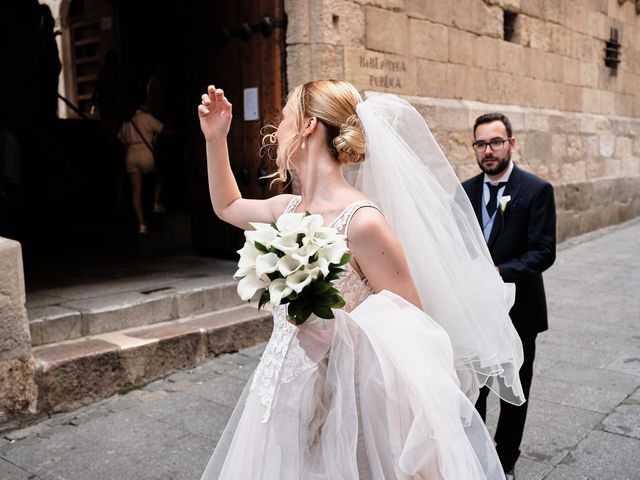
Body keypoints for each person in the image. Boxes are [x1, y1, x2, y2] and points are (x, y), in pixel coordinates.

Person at [198, 80, 526, 479]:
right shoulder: (286, 208)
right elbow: (227, 205)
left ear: (308, 126)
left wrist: (330, 328)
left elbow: (412, 325)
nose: (276, 126)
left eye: (284, 116)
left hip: (342, 401)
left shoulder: (363, 222)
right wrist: (216, 139)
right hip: (281, 386)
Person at [462, 113, 557, 480]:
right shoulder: (464, 191)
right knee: (475, 388)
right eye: (481, 144)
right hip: (472, 311)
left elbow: (543, 252)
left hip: (520, 310)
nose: (488, 151)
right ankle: (474, 454)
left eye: (496, 142)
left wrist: (499, 273)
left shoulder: (536, 190)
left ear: (511, 144)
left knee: (514, 386)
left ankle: (506, 461)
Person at [118, 97, 166, 234]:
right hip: (146, 154)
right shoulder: (147, 117)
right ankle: (156, 204)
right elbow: (162, 129)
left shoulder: (127, 122)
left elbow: (120, 139)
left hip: (131, 155)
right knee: (159, 176)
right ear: (143, 105)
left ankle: (141, 225)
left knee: (136, 191)